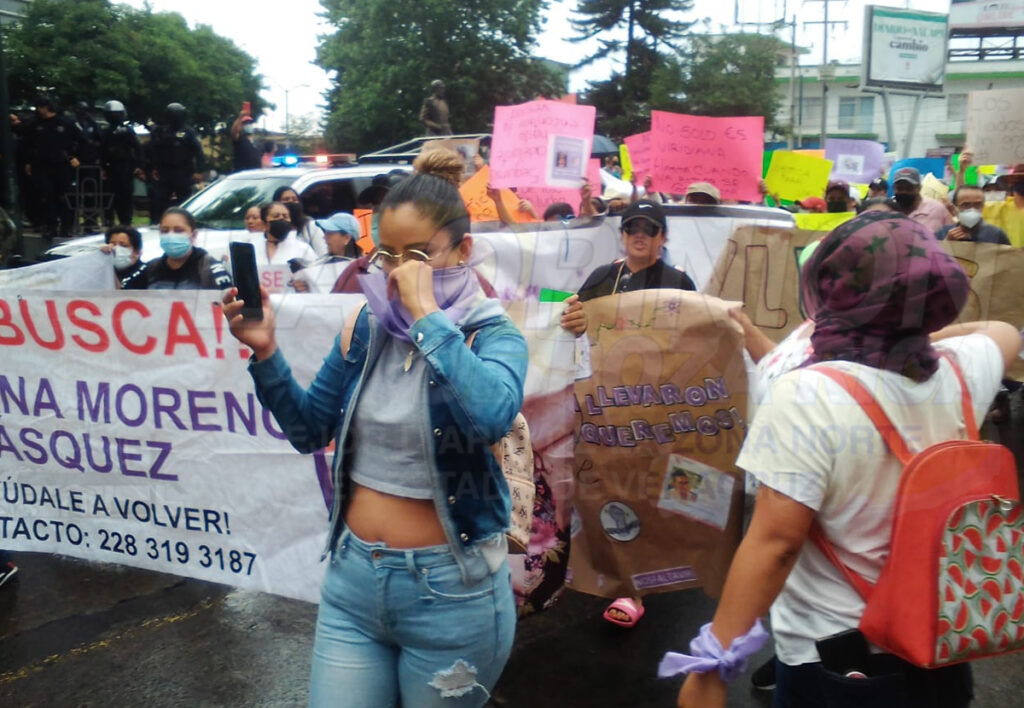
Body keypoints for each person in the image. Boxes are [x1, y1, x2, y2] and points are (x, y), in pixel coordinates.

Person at [669, 211, 1019, 708]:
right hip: (942, 639)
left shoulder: (809, 393)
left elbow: (775, 544)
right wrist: (912, 333)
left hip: (838, 662)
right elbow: (1002, 329)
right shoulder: (965, 372)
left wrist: (711, 667)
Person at [222, 159, 527, 708]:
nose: (394, 273)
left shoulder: (492, 335)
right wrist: (264, 350)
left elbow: (491, 416)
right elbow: (308, 430)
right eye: (386, 253)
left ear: (461, 250)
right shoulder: (367, 327)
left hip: (451, 594)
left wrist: (429, 316)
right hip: (353, 582)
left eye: (417, 256)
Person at [560, 199, 696, 628]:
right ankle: (611, 572)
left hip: (654, 409)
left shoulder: (678, 282)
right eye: (632, 226)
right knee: (605, 490)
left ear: (662, 237)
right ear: (622, 234)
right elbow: (572, 324)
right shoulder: (603, 278)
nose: (640, 234)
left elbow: (695, 342)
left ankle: (634, 587)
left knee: (644, 491)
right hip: (602, 405)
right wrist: (572, 318)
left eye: (649, 228)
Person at [123, 207, 232, 290]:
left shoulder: (210, 269)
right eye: (165, 231)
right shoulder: (151, 268)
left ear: (193, 235)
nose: (171, 235)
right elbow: (120, 295)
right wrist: (107, 260)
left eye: (178, 230)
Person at [22, 97, 82, 240]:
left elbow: (82, 141)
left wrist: (76, 157)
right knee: (47, 197)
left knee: (65, 197)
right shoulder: (36, 124)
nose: (38, 110)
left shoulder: (66, 123)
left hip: (63, 165)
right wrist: (28, 162)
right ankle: (50, 227)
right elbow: (28, 145)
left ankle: (66, 227)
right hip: (42, 165)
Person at [147, 102, 205, 221]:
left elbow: (198, 152)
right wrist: (153, 168)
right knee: (159, 200)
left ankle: (186, 222)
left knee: (185, 200)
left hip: (183, 171)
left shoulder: (189, 132)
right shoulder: (160, 132)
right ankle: (156, 222)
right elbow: (153, 151)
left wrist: (199, 171)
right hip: (165, 172)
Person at [292, 212, 363, 293]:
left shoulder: (365, 270)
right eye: (325, 232)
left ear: (347, 238)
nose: (324, 237)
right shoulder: (316, 265)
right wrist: (302, 287)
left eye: (330, 233)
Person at [100, 100, 145, 226]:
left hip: (122, 167)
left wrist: (138, 166)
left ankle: (121, 221)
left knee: (122, 196)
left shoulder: (118, 131)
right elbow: (138, 148)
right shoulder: (113, 131)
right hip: (116, 167)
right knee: (116, 196)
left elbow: (137, 149)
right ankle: (118, 220)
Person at [937, 185, 1011, 245]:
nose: (972, 209)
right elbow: (930, 260)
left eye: (977, 205)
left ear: (983, 207)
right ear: (954, 208)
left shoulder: (996, 235)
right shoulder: (942, 233)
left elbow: (1009, 260)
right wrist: (946, 244)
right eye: (965, 205)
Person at [252, 201, 318, 266]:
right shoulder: (253, 248)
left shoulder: (303, 248)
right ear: (265, 223)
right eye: (276, 216)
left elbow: (315, 272)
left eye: (285, 216)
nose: (281, 218)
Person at [891, 167, 953, 232]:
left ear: (919, 188)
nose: (904, 192)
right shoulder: (889, 211)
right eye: (899, 188)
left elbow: (953, 237)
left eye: (909, 188)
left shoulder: (937, 209)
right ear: (894, 189)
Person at [271, 186, 327, 256]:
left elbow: (323, 254)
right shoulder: (270, 228)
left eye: (294, 199)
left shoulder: (310, 226)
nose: (291, 201)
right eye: (286, 199)